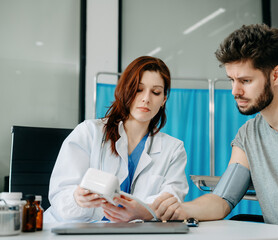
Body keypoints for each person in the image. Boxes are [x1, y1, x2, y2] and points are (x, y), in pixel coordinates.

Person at [152, 24, 278, 229]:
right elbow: (222, 199)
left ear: (276, 75)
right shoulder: (248, 134)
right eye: (232, 80)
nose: (235, 91)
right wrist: (180, 209)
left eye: (245, 80)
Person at [44, 56, 189, 223]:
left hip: (132, 234)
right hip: (75, 229)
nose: (146, 98)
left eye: (156, 92)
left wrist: (144, 211)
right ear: (126, 90)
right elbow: (60, 194)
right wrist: (77, 199)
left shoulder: (173, 149)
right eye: (139, 89)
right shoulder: (89, 132)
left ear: (164, 100)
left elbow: (170, 202)